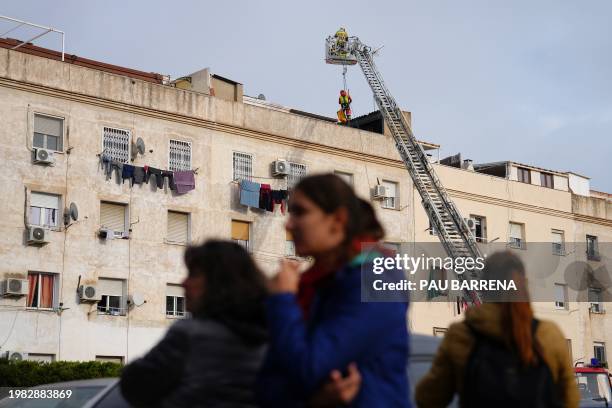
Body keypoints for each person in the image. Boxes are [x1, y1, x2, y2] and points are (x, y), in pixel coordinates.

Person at [257, 173, 411, 407]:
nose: (288, 224)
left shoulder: (376, 280)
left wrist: (283, 299)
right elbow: (270, 386)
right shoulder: (323, 280)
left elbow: (307, 367)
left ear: (337, 220)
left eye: (300, 212)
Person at [415, 251, 580, 408]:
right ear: (524, 286)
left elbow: (427, 398)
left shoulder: (460, 335)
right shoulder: (549, 335)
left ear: (483, 286)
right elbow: (571, 400)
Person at [120, 240, 268, 408]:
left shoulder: (190, 334)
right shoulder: (272, 334)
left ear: (220, 282)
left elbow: (134, 384)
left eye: (194, 274)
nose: (184, 283)